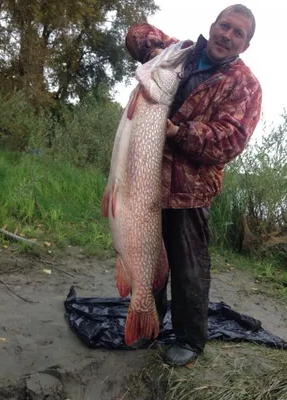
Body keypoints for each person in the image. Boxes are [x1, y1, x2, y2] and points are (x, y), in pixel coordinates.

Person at [125, 4, 262, 366]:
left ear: (244, 45)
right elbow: (136, 33)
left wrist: (176, 131)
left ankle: (190, 339)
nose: (227, 36)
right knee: (148, 256)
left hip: (190, 190)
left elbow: (228, 142)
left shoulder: (244, 85)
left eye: (238, 34)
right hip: (149, 180)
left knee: (189, 268)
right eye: (225, 26)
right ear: (213, 25)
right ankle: (146, 325)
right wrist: (155, 51)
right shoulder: (181, 53)